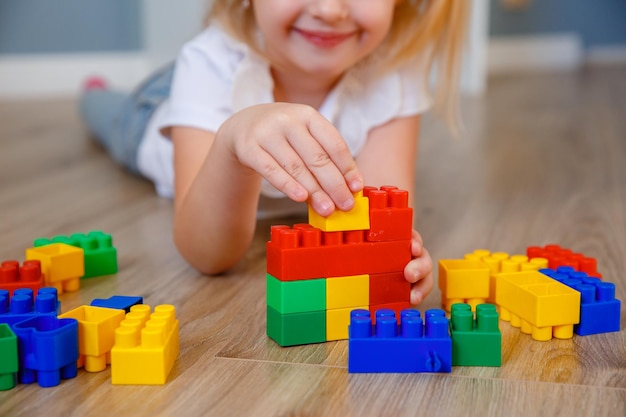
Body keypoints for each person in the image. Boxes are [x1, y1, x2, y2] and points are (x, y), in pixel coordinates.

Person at [79, 0, 469, 306]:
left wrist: (397, 265)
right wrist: (232, 143)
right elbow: (207, 255)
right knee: (109, 115)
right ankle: (93, 90)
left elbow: (381, 228)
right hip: (149, 121)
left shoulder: (394, 70)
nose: (330, 10)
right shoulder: (209, 62)